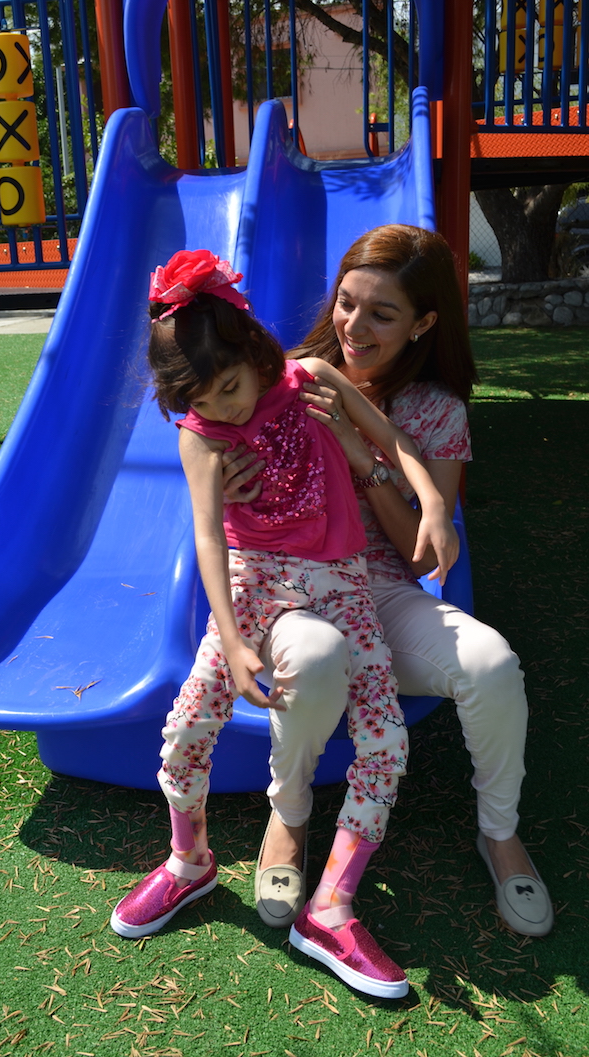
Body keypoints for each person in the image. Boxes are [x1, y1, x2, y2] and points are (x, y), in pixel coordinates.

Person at [110, 248, 459, 1000]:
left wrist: (431, 499)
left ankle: (330, 905)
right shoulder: (202, 432)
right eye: (205, 401)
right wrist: (231, 636)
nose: (228, 408)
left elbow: (394, 440)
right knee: (186, 729)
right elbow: (207, 534)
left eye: (232, 386)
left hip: (345, 586)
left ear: (251, 347)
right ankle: (188, 861)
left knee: (387, 741)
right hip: (253, 584)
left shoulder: (312, 381)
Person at [223, 224, 554, 940]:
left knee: (492, 663)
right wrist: (234, 482)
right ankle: (290, 817)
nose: (354, 326)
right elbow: (223, 483)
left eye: (382, 314)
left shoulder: (437, 411)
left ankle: (499, 833)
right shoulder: (289, 379)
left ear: (423, 323)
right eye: (347, 303)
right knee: (311, 657)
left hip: (384, 592)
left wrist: (358, 456)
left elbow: (421, 558)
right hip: (296, 590)